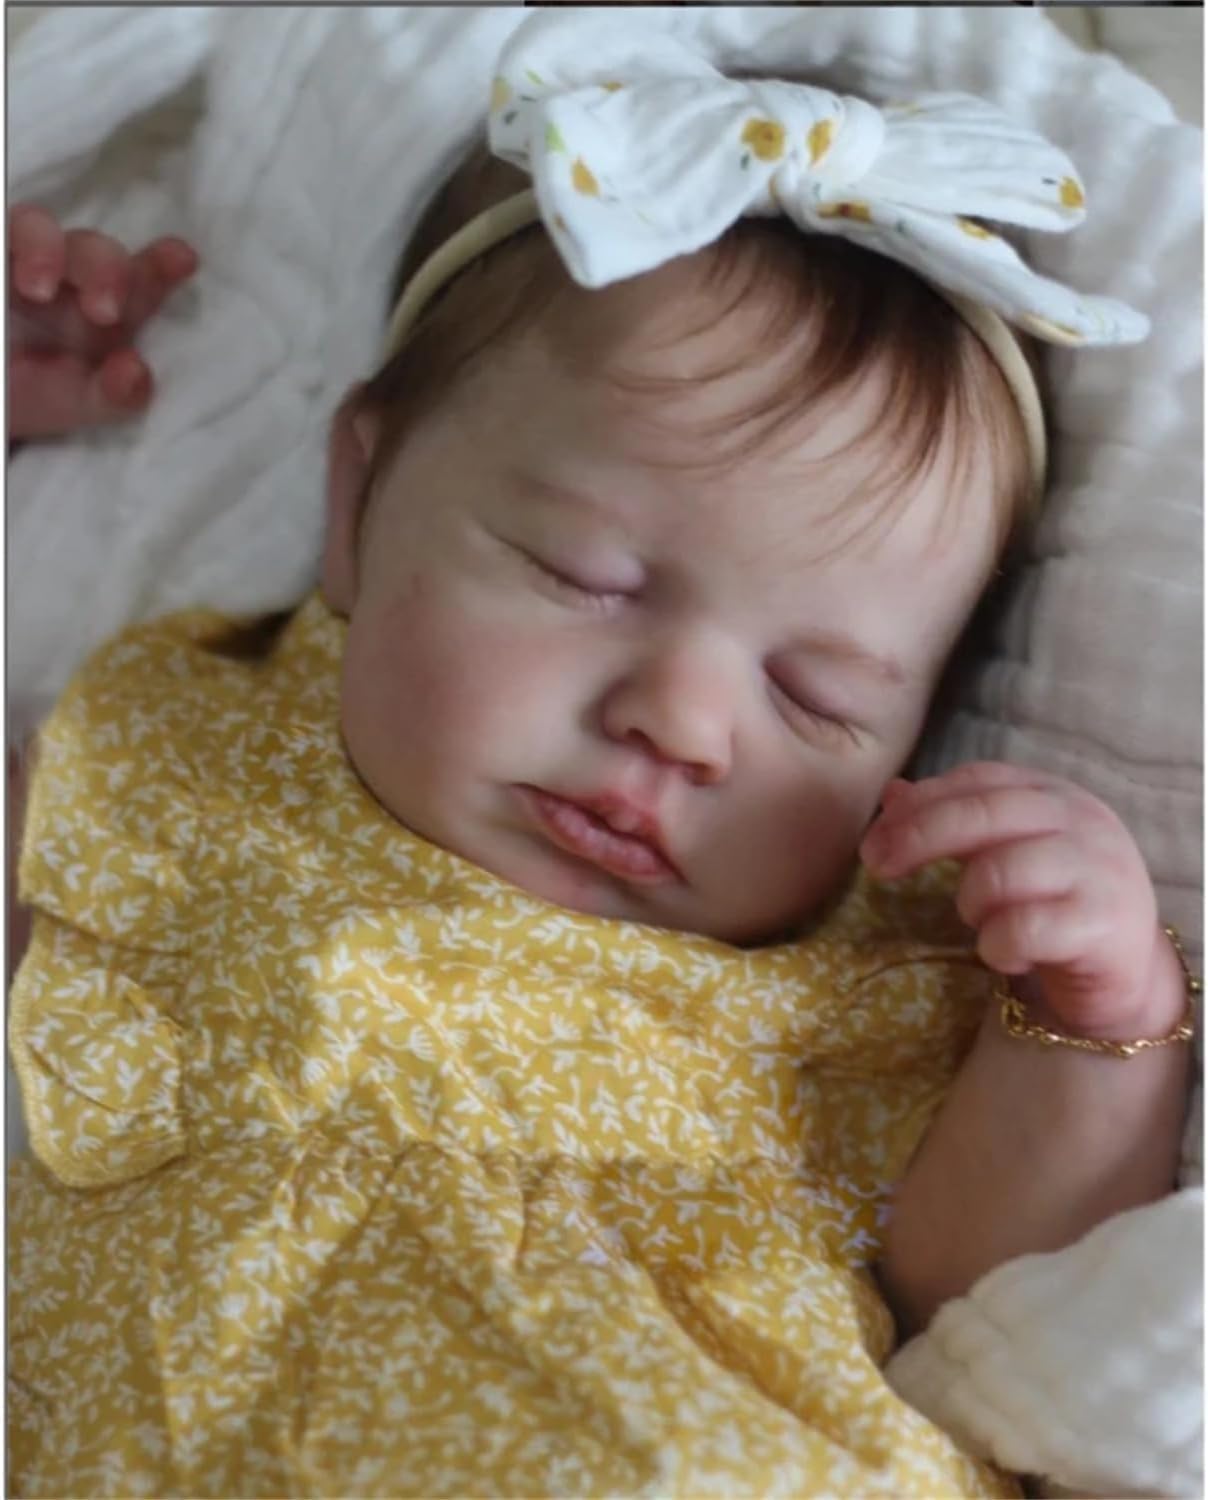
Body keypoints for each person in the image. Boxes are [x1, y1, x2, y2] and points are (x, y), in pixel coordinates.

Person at [7, 30, 1194, 1499]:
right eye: (587, 578)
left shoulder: (860, 973)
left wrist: (1087, 1024)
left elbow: (989, 1285)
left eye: (815, 697)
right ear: (358, 499)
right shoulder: (187, 755)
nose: (683, 723)